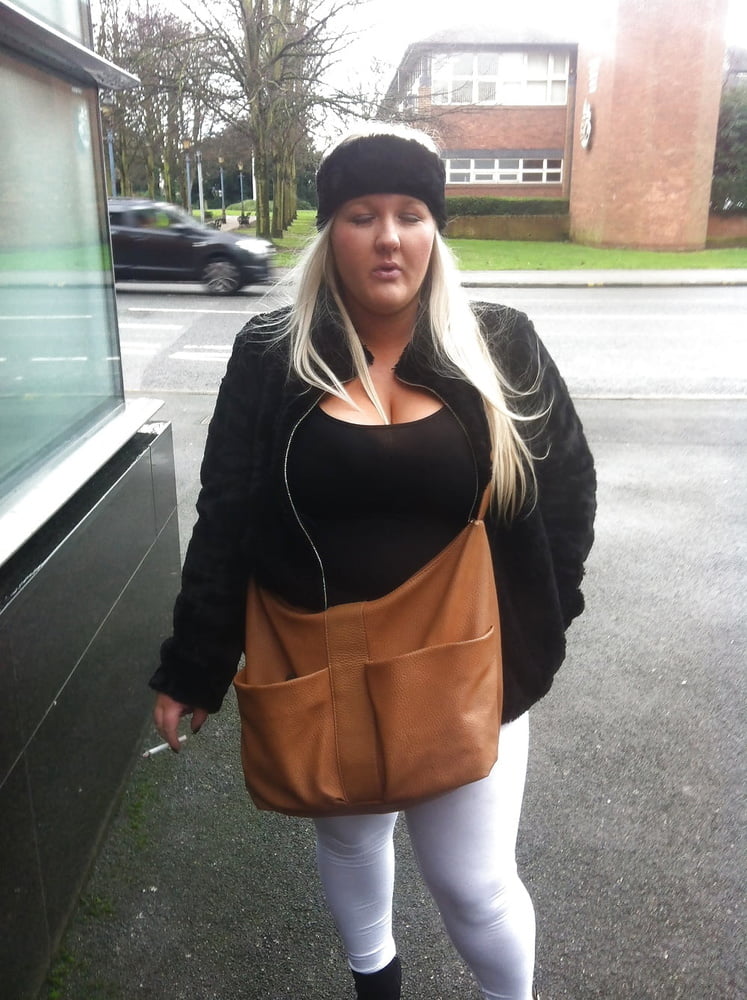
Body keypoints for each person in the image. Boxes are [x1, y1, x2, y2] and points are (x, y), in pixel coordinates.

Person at [150, 122, 596, 1000]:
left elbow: (565, 493)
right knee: (351, 837)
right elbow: (227, 513)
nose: (388, 237)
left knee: (473, 885)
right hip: (320, 659)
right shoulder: (270, 353)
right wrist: (192, 665)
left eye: (409, 214)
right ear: (330, 232)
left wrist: (541, 617)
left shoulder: (499, 341)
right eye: (361, 215)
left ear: (434, 230)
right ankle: (373, 982)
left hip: (471, 663)